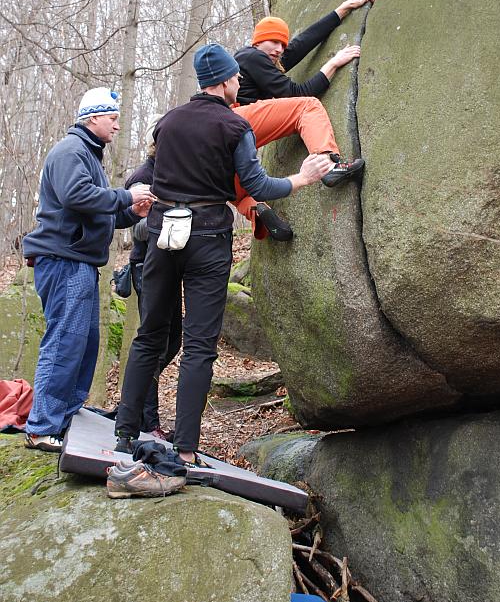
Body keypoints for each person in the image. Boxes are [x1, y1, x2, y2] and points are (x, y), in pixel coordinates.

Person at [115, 44, 332, 467]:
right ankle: (186, 448)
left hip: (162, 236)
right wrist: (302, 178)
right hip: (207, 240)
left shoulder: (167, 123)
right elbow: (259, 183)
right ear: (228, 81)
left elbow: (155, 179)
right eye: (236, 79)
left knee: (148, 337)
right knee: (198, 346)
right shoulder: (235, 126)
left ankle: (124, 434)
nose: (239, 84)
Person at [22, 88, 154, 453]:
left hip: (78, 261)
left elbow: (96, 210)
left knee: (84, 344)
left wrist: (131, 212)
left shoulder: (88, 155)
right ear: (93, 118)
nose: (117, 125)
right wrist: (127, 195)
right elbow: (76, 197)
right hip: (63, 260)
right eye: (112, 118)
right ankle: (41, 427)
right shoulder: (70, 151)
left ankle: (65, 417)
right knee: (65, 341)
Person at [231, 0, 375, 239]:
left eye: (281, 44)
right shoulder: (251, 56)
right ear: (258, 41)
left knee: (238, 192)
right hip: (239, 119)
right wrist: (333, 63)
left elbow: (301, 44)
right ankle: (328, 163)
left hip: (226, 139)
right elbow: (296, 93)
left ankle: (257, 211)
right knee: (306, 106)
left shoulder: (257, 59)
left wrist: (343, 9)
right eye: (273, 42)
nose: (278, 49)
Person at [124, 114, 181, 441]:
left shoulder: (168, 174)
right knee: (154, 344)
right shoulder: (143, 176)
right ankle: (148, 423)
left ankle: (137, 394)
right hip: (146, 266)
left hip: (170, 265)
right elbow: (136, 228)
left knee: (175, 338)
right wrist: (167, 214)